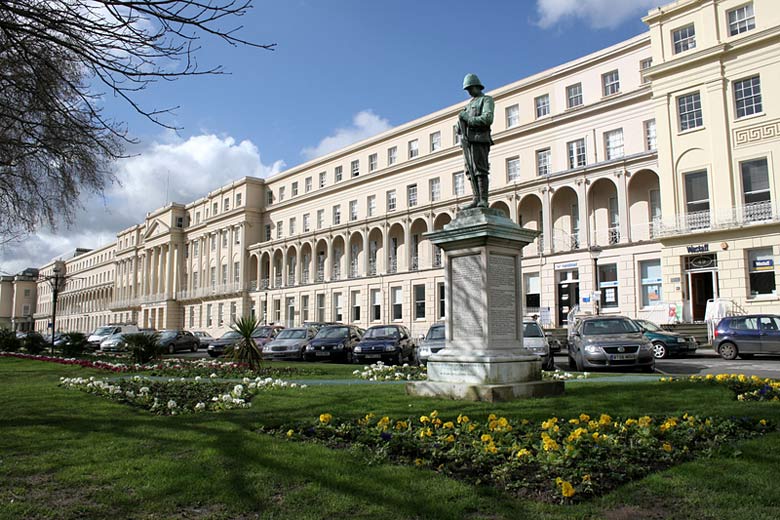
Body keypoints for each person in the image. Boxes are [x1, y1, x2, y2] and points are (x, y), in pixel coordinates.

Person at [458, 73, 495, 209]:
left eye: (470, 88)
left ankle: (483, 200)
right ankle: (476, 198)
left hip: (480, 139)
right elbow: (462, 124)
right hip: (468, 143)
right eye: (467, 90)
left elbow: (487, 119)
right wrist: (459, 126)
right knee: (470, 171)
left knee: (480, 170)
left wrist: (467, 119)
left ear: (476, 86)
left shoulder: (486, 100)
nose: (468, 92)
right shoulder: (469, 105)